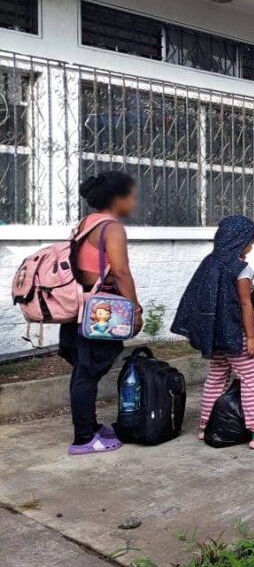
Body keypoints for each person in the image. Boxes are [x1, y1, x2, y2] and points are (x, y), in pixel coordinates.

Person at [173, 215, 254, 450]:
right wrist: (251, 337)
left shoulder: (209, 262)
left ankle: (206, 426)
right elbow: (245, 305)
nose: (251, 247)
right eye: (250, 241)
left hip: (216, 333)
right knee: (251, 380)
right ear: (239, 240)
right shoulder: (241, 269)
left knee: (216, 377)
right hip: (238, 333)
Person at [61, 171, 142, 455]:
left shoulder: (85, 223)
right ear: (117, 199)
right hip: (99, 311)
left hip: (78, 305)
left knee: (83, 371)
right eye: (131, 197)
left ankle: (90, 427)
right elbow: (120, 272)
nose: (134, 202)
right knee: (88, 372)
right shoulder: (113, 228)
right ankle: (84, 438)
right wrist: (135, 309)